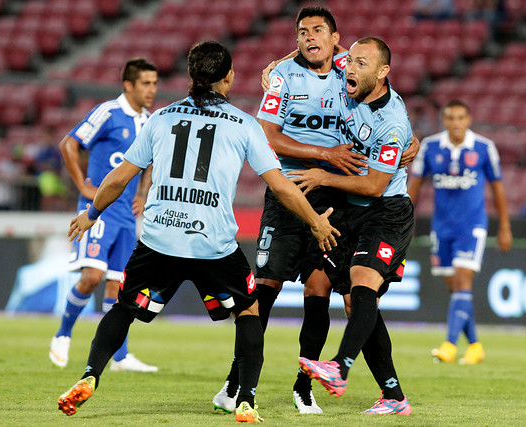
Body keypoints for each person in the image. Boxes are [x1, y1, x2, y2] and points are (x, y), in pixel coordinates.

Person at [56, 40, 340, 423]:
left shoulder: (160, 117)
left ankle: (90, 374)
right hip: (213, 243)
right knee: (248, 310)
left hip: (159, 238)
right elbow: (283, 186)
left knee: (124, 306)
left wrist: (92, 212)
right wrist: (316, 221)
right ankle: (246, 399)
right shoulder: (243, 123)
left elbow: (120, 176)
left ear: (191, 76)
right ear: (229, 77)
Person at [213, 6, 419, 415]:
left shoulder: (349, 69)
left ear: (335, 38)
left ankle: (308, 385)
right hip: (291, 190)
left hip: (339, 199)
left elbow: (382, 90)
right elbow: (267, 136)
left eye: (318, 31)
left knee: (328, 291)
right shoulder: (283, 77)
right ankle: (236, 383)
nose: (310, 38)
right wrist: (323, 155)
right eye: (302, 32)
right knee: (266, 289)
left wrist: (408, 141)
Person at [292, 37, 415, 415]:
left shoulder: (391, 123)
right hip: (350, 210)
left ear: (382, 74)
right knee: (333, 291)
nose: (350, 68)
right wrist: (275, 65)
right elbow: (319, 44)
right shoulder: (350, 74)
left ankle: (340, 368)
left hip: (386, 210)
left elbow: (375, 185)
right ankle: (393, 397)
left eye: (362, 64)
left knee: (362, 282)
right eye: (351, 61)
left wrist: (323, 177)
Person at [49, 58, 159, 372]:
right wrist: (83, 186)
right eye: (146, 83)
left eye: (154, 83)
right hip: (99, 213)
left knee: (118, 288)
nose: (152, 89)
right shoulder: (108, 113)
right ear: (128, 85)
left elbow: (149, 161)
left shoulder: (149, 120)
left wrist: (142, 193)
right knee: (92, 277)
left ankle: (120, 357)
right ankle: (63, 333)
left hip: (126, 217)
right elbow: (68, 144)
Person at [407, 99, 512, 364]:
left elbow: (497, 189)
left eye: (461, 118)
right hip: (442, 227)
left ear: (469, 120)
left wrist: (504, 227)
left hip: (472, 226)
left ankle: (450, 345)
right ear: (444, 121)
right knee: (455, 289)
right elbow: (414, 188)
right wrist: (402, 222)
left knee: (463, 281)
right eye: (451, 118)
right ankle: (475, 345)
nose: (456, 123)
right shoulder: (430, 147)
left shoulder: (484, 148)